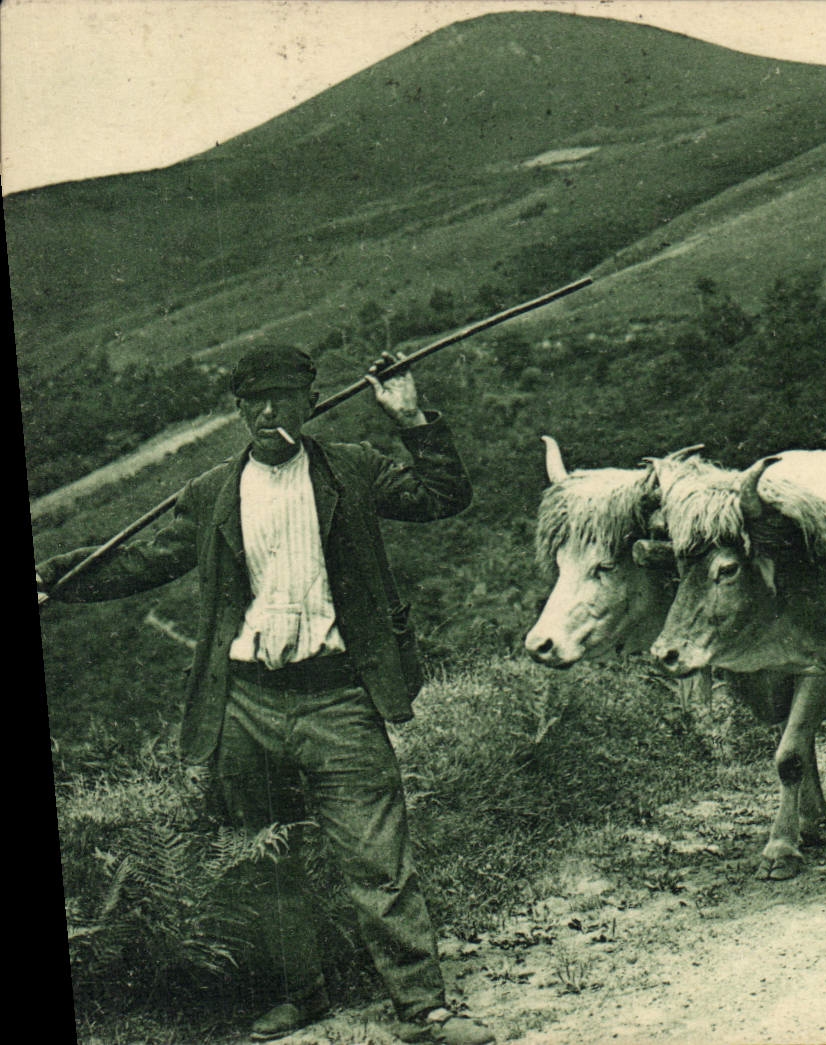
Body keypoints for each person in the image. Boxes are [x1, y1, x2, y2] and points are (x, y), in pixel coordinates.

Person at [37, 345, 494, 1045]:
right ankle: (300, 995)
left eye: (283, 398)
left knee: (377, 854)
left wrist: (411, 417)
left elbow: (444, 497)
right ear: (239, 410)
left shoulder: (352, 469)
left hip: (338, 695)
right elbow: (140, 562)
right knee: (263, 856)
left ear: (311, 403)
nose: (269, 413)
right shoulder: (212, 492)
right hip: (245, 703)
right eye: (254, 402)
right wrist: (56, 576)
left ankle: (422, 1007)